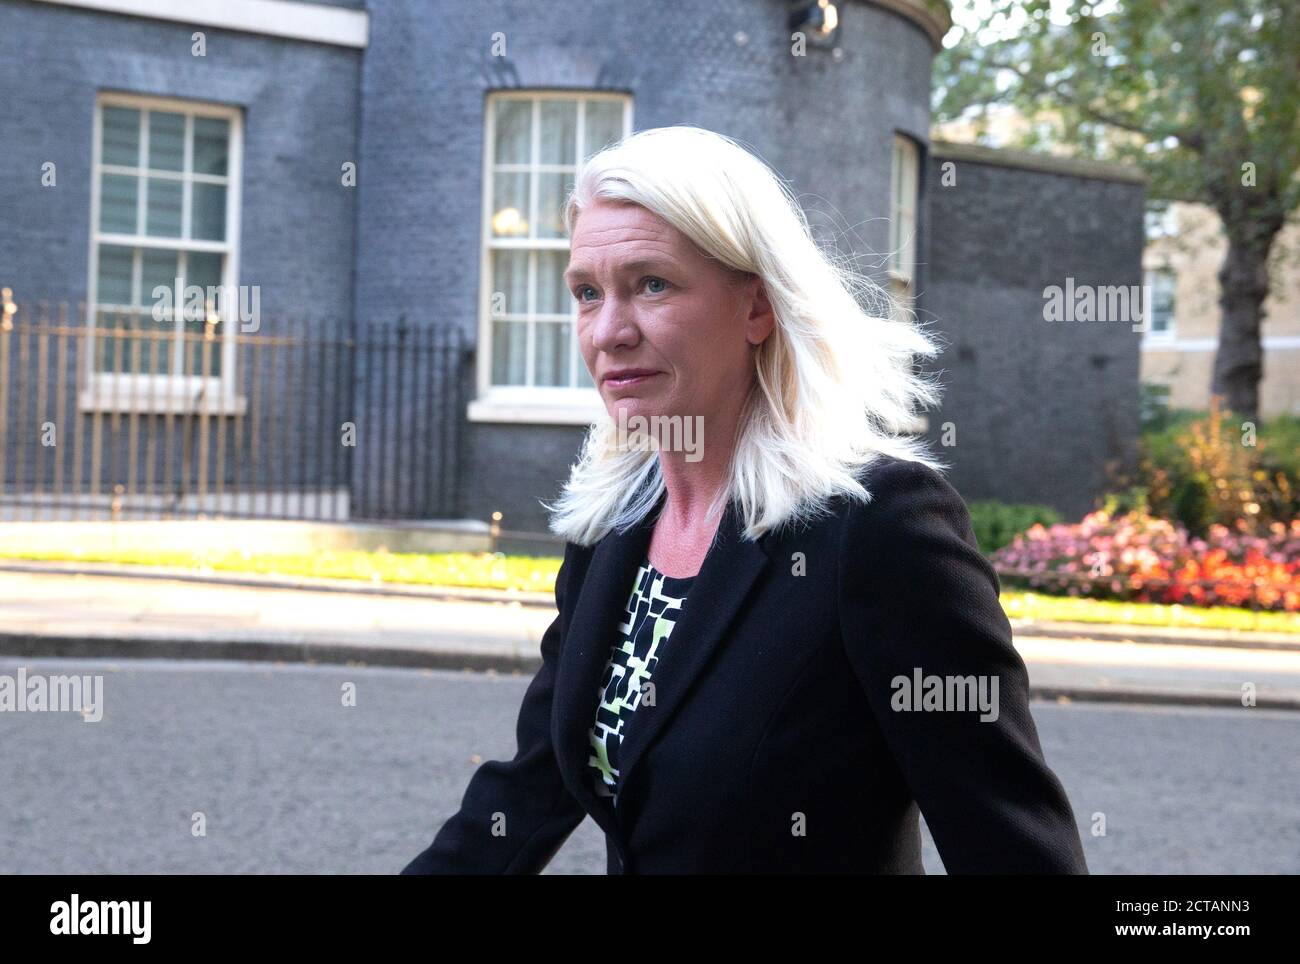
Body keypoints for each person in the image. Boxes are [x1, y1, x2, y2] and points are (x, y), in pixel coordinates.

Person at [401, 125, 1089, 874]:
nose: (608, 332)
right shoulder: (614, 522)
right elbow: (530, 791)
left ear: (757, 308)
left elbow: (1015, 850)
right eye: (587, 293)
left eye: (652, 284)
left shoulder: (882, 530)